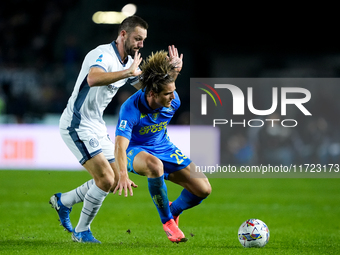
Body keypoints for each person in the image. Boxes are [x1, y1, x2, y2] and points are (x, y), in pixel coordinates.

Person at [49, 15, 148, 243]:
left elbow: (146, 87)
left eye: (143, 40)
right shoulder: (102, 54)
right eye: (137, 38)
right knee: (104, 179)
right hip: (77, 123)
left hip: (96, 125)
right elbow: (93, 78)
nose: (140, 44)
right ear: (123, 34)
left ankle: (63, 202)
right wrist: (128, 73)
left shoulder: (127, 62)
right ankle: (81, 232)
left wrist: (170, 74)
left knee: (112, 181)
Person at [114, 49, 212, 243]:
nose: (173, 97)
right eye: (168, 93)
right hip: (136, 150)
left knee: (203, 189)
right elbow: (119, 146)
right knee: (154, 165)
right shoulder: (130, 109)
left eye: (173, 91)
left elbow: (163, 84)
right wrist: (122, 174)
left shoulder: (171, 100)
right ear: (152, 93)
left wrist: (173, 72)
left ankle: (173, 210)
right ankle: (167, 222)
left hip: (163, 146)